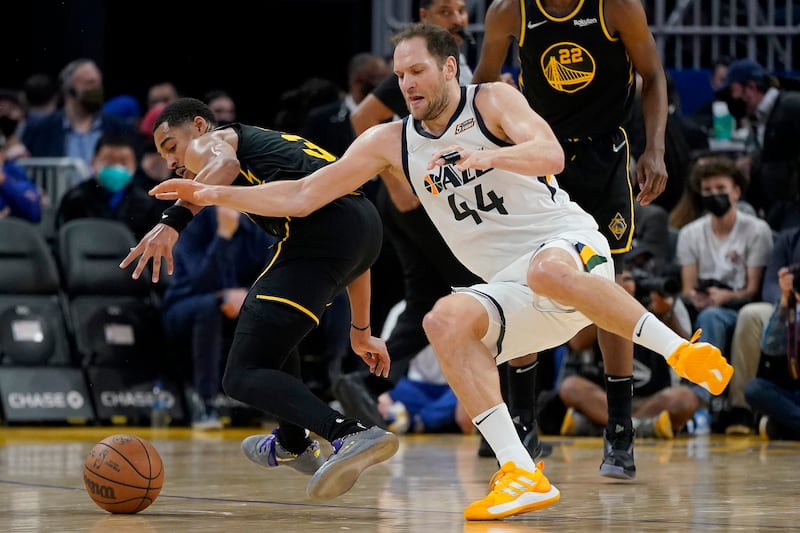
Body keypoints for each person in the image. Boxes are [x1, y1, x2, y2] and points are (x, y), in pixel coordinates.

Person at [145, 24, 732, 520]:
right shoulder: (389, 140)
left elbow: (550, 154)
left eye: (417, 71)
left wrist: (489, 155)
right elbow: (302, 195)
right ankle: (521, 472)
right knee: (443, 320)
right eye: (400, 75)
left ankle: (685, 353)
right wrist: (210, 195)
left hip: (565, 245)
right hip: (510, 285)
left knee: (549, 272)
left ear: (450, 68)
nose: (407, 84)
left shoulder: (491, 101)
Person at [120, 97, 399, 502]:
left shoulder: (213, 142)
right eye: (163, 156)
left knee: (241, 375)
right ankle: (293, 441)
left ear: (198, 126)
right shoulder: (263, 146)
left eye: (171, 146)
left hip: (320, 235)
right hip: (363, 226)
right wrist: (362, 330)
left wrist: (173, 221)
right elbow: (358, 253)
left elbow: (223, 165)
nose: (172, 162)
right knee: (272, 344)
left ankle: (348, 433)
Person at [343, 0, 549, 462]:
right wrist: (401, 186)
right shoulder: (418, 70)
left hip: (434, 197)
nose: (457, 18)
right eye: (446, 10)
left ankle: (364, 382)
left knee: (426, 300)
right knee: (490, 295)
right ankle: (512, 428)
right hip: (426, 200)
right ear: (424, 17)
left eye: (461, 9)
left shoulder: (461, 68)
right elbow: (362, 120)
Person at [471, 0, 669, 479]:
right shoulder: (509, 11)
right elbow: (482, 87)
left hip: (604, 157)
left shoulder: (617, 7)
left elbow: (653, 75)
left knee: (607, 288)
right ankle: (523, 423)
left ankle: (620, 428)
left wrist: (655, 148)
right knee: (523, 283)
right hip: (540, 157)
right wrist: (498, 136)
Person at [161, 205, 277, 429]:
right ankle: (205, 403)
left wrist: (248, 295)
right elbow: (201, 283)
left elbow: (273, 273)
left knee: (277, 307)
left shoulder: (255, 226)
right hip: (184, 306)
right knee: (210, 307)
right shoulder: (193, 223)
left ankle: (273, 400)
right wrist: (223, 236)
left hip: (239, 303)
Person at [19, 58, 142, 180]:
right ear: (69, 88)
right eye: (89, 83)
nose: (96, 89)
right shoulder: (40, 130)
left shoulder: (120, 128)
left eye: (98, 83)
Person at [55, 132, 164, 241]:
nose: (116, 167)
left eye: (123, 162)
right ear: (93, 162)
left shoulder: (147, 203)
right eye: (109, 161)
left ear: (134, 165)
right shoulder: (74, 199)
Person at [745, 265, 800, 440]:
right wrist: (785, 301)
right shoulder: (791, 309)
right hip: (792, 392)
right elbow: (770, 347)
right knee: (754, 389)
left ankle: (783, 428)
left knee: (772, 427)